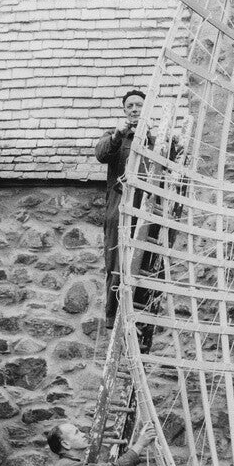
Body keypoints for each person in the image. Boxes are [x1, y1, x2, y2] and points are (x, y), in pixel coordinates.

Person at [95, 89, 153, 329]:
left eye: (139, 105)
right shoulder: (114, 136)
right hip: (119, 205)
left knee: (144, 258)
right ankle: (113, 315)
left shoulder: (154, 136)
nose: (134, 110)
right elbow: (101, 153)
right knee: (116, 258)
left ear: (146, 108)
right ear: (124, 110)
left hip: (145, 205)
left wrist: (157, 138)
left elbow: (171, 157)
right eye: (130, 106)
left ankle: (141, 314)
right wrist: (118, 134)